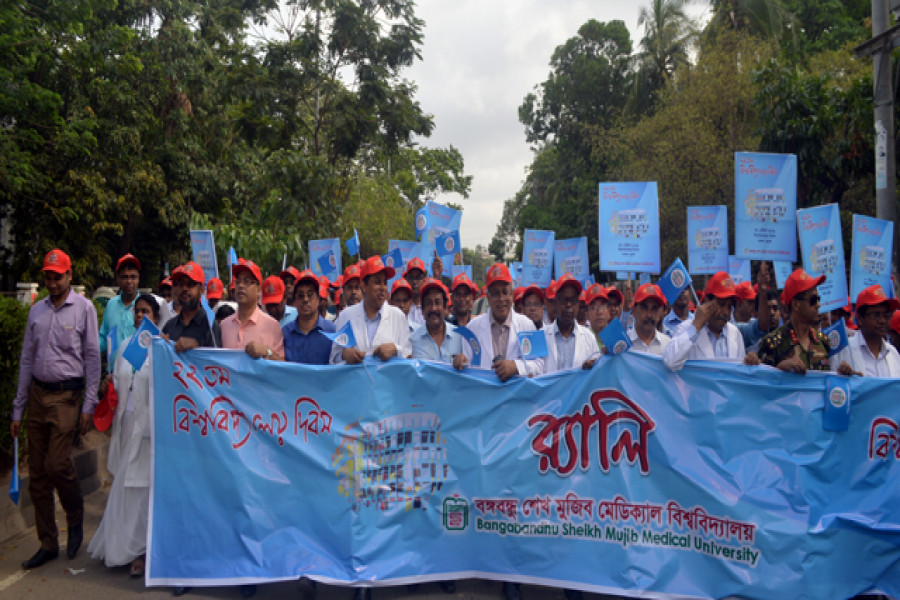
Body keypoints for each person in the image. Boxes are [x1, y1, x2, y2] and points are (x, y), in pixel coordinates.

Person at [12, 249, 100, 569]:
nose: (52, 281)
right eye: (48, 276)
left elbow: (92, 358)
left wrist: (90, 404)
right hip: (37, 394)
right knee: (36, 475)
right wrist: (17, 410)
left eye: (57, 276)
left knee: (57, 464)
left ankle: (74, 518)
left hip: (67, 397)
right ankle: (47, 542)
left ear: (69, 275)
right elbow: (25, 360)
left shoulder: (85, 309)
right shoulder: (36, 311)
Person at [88, 294, 161, 576]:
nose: (141, 316)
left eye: (147, 312)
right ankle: (122, 548)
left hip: (150, 431)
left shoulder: (162, 350)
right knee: (125, 488)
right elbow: (120, 383)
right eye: (138, 312)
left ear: (156, 316)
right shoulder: (126, 348)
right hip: (127, 425)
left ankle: (142, 552)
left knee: (144, 490)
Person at [756, 268, 851, 375]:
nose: (818, 305)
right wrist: (780, 369)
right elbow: (760, 383)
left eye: (818, 299)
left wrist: (843, 375)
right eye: (813, 300)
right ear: (796, 304)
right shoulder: (773, 343)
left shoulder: (823, 342)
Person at [464, 263, 544, 380]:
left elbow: (541, 365)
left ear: (511, 294)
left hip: (516, 396)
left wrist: (516, 367)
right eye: (496, 293)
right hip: (486, 395)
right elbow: (466, 370)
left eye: (505, 292)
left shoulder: (528, 325)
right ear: (488, 297)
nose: (501, 299)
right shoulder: (472, 328)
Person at [330, 255, 412, 364]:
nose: (382, 288)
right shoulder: (346, 316)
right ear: (364, 286)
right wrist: (344, 355)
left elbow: (409, 357)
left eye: (385, 283)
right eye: (377, 282)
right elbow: (333, 358)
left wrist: (395, 350)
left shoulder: (398, 316)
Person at [663, 271, 748, 371]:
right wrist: (695, 327)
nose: (725, 312)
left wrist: (749, 364)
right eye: (721, 304)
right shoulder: (686, 329)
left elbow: (740, 373)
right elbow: (670, 362)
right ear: (707, 301)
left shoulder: (735, 333)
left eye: (729, 306)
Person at [221, 259, 285, 361]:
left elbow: (283, 366)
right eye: (238, 281)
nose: (241, 286)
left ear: (258, 290)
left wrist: (267, 352)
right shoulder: (224, 325)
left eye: (247, 281)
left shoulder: (272, 326)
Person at [830, 285, 900, 377]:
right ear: (859, 318)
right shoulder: (844, 351)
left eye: (886, 315)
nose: (882, 320)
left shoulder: (893, 353)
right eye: (876, 315)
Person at [542, 274, 599, 373]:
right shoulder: (542, 335)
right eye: (564, 300)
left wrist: (594, 365)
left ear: (578, 304)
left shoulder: (589, 338)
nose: (568, 305)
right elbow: (535, 371)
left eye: (572, 301)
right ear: (555, 302)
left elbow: (597, 372)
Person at [98, 253, 142, 370]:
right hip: (113, 376)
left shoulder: (145, 306)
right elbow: (103, 336)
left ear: (138, 278)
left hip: (138, 377)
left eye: (133, 277)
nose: (129, 281)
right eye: (125, 277)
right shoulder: (111, 304)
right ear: (117, 278)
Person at [283, 269, 336, 365]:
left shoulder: (332, 332)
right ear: (295, 301)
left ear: (318, 299)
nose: (305, 299)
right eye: (300, 295)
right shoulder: (285, 333)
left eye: (310, 295)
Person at [410, 278, 466, 367]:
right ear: (422, 310)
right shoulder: (412, 341)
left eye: (438, 302)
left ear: (445, 307)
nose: (433, 308)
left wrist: (465, 361)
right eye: (428, 303)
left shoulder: (460, 337)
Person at [161, 261, 216, 351]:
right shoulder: (170, 325)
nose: (184, 289)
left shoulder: (211, 326)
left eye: (190, 284)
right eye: (181, 284)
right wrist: (160, 344)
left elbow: (218, 361)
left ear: (201, 290)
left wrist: (197, 349)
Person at [736, 262, 777, 352]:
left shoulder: (752, 324)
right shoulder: (732, 327)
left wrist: (762, 289)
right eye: (750, 302)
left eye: (754, 302)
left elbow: (761, 327)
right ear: (738, 304)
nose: (754, 306)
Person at [628, 283, 671, 356]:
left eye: (654, 308)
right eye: (644, 308)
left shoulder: (668, 345)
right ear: (634, 311)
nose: (649, 315)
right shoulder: (623, 345)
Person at [403, 257, 428, 327]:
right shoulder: (400, 306)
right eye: (411, 277)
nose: (414, 282)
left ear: (424, 279)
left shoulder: (429, 307)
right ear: (406, 279)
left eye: (418, 277)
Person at [584, 283, 610, 348]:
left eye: (602, 306)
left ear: (608, 311)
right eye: (593, 307)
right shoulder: (582, 341)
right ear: (587, 314)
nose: (599, 312)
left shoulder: (618, 338)